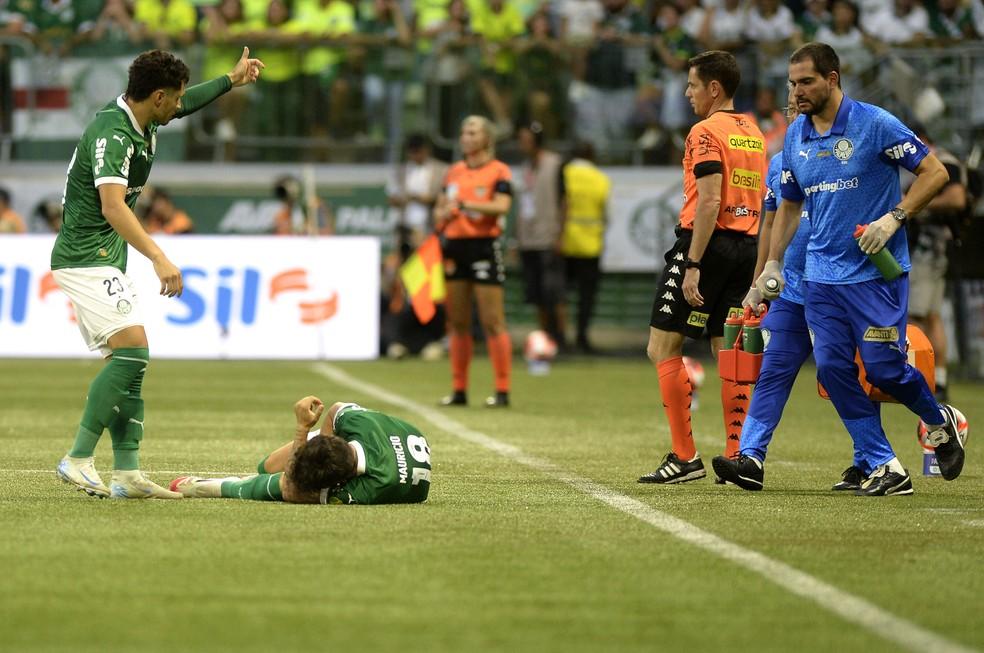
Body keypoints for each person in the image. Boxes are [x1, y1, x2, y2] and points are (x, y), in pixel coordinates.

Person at [52, 48, 265, 500]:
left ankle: (127, 473)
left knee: (127, 365)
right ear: (158, 96)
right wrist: (158, 257)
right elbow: (112, 207)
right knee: (134, 349)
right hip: (85, 256)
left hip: (104, 257)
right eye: (176, 98)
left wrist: (232, 78)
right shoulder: (113, 133)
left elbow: (189, 102)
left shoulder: (145, 115)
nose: (180, 105)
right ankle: (77, 457)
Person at [754, 42, 965, 496]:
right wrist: (772, 263)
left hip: (874, 276)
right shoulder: (796, 136)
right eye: (792, 83)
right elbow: (788, 209)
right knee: (831, 370)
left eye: (806, 82)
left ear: (832, 78)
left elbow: (935, 174)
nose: (797, 92)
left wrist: (894, 218)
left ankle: (938, 421)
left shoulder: (875, 123)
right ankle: (886, 463)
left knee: (884, 371)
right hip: (821, 279)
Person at [638, 50, 767, 485]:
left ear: (714, 88)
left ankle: (684, 456)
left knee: (662, 347)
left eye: (692, 84)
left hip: (706, 245)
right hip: (746, 246)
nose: (687, 92)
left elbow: (710, 199)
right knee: (726, 351)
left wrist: (692, 262)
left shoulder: (704, 131)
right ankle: (737, 457)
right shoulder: (754, 132)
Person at [711, 92, 816, 491]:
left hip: (836, 285)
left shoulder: (837, 158)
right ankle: (750, 457)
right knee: (771, 371)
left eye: (798, 109)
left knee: (846, 374)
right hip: (790, 288)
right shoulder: (778, 165)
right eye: (789, 110)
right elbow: (769, 229)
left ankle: (874, 458)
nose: (794, 116)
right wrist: (757, 285)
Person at [170, 396, 431, 504]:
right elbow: (335, 409)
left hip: (389, 454)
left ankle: (207, 486)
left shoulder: (370, 486)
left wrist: (301, 429)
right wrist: (310, 431)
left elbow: (292, 485)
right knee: (267, 467)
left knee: (285, 486)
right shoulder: (356, 423)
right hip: (383, 440)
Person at [434, 115, 514, 408]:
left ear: (486, 138)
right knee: (457, 322)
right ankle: (459, 390)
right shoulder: (453, 172)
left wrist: (465, 205)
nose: (465, 136)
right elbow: (439, 209)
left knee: (493, 320)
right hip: (454, 247)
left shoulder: (499, 171)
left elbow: (502, 206)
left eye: (472, 132)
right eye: (463, 131)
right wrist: (442, 214)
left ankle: (502, 390)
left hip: (483, 247)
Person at [516, 121, 567, 349]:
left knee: (554, 292)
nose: (522, 144)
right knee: (536, 293)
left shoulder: (555, 164)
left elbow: (565, 201)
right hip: (528, 239)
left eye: (526, 140)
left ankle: (562, 337)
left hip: (548, 236)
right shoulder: (526, 167)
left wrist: (560, 234)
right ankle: (546, 336)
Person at [560, 141, 611, 354]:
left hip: (564, 242)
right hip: (591, 245)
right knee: (586, 296)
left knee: (560, 294)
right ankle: (582, 337)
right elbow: (608, 214)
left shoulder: (564, 174)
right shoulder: (601, 179)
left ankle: (559, 337)